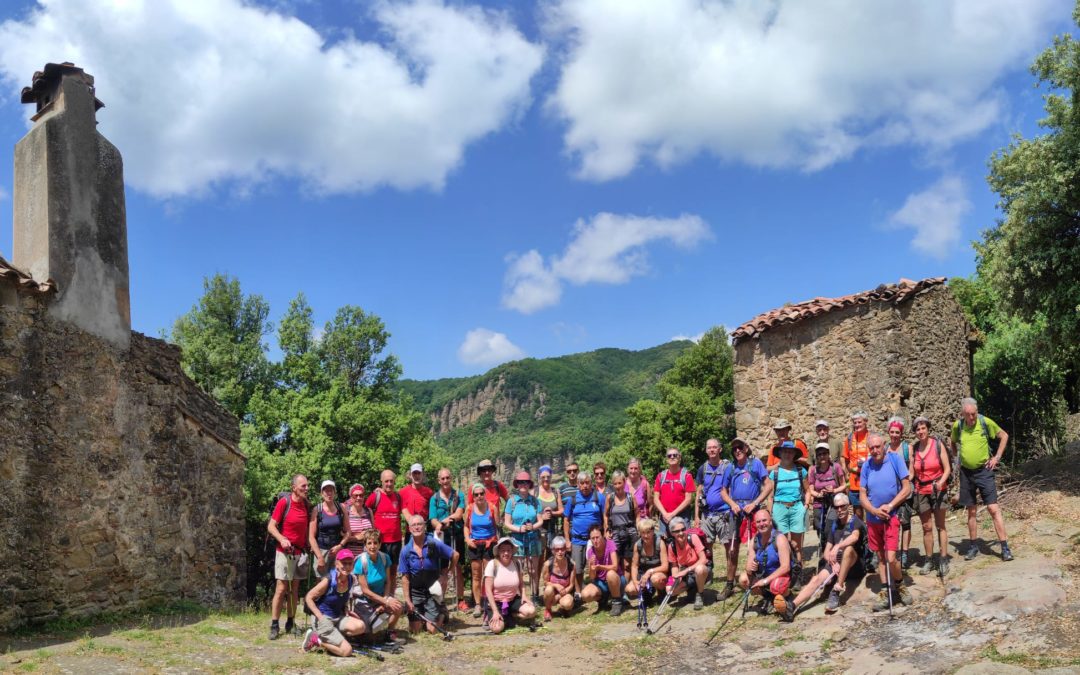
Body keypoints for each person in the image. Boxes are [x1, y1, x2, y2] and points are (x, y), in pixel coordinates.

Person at [782, 493, 866, 620]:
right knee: (816, 579)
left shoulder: (856, 522)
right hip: (836, 565)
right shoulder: (834, 525)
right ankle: (792, 606)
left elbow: (854, 537)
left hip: (853, 564)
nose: (839, 510)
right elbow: (827, 551)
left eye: (842, 506)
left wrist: (838, 546)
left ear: (848, 506)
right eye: (836, 507)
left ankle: (837, 589)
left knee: (848, 550)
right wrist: (833, 563)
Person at [950, 398, 1013, 562]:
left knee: (993, 508)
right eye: (969, 415)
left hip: (984, 471)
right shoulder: (958, 426)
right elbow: (952, 442)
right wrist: (957, 458)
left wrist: (996, 457)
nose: (972, 417)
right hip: (966, 473)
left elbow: (1004, 436)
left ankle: (1005, 548)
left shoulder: (985, 422)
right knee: (971, 510)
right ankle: (973, 546)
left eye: (974, 414)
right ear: (962, 414)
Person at [859, 433, 913, 611]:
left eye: (877, 447)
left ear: (884, 446)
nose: (875, 451)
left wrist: (890, 506)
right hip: (874, 518)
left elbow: (906, 488)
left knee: (891, 557)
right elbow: (862, 495)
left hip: (892, 516)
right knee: (881, 556)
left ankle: (899, 585)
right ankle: (885, 591)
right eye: (871, 448)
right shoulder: (866, 466)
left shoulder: (895, 460)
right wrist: (873, 510)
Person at [719, 438, 770, 601]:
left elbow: (768, 485)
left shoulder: (755, 464)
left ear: (746, 448)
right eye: (734, 449)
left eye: (739, 447)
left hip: (752, 512)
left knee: (755, 547)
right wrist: (732, 504)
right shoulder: (730, 467)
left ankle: (758, 580)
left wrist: (756, 503)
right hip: (736, 512)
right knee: (733, 550)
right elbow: (723, 491)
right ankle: (729, 584)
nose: (737, 451)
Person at [267, 474, 311, 640]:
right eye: (303, 486)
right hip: (284, 552)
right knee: (281, 588)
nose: (306, 489)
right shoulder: (284, 503)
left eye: (307, 486)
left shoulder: (307, 505)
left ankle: (290, 622)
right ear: (294, 488)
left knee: (295, 590)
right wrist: (282, 539)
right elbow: (271, 526)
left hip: (300, 552)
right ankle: (274, 624)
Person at [400, 515, 459, 634]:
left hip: (432, 591)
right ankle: (424, 615)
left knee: (432, 630)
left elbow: (455, 555)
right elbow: (405, 578)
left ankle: (442, 613)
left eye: (419, 524)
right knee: (415, 630)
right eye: (414, 525)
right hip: (415, 591)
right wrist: (408, 600)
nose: (417, 527)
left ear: (424, 526)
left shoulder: (433, 543)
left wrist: (446, 574)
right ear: (410, 529)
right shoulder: (405, 550)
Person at [301, 549, 366, 655]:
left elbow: (342, 597)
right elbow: (309, 597)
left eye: (350, 563)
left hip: (337, 617)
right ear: (337, 564)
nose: (347, 566)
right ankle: (315, 639)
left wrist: (345, 609)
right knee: (347, 651)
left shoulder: (351, 579)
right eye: (344, 563)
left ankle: (333, 636)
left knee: (361, 626)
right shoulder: (329, 580)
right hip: (323, 618)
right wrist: (320, 617)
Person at [910, 416, 952, 576]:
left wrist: (941, 482)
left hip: (938, 489)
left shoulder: (937, 445)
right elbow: (912, 472)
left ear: (928, 429)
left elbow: (947, 468)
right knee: (926, 527)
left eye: (923, 428)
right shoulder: (914, 449)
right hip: (921, 491)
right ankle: (929, 560)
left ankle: (943, 559)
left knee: (940, 526)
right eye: (917, 429)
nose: (921, 431)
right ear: (915, 432)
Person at [766, 441, 810, 588]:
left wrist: (805, 506)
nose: (787, 454)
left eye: (790, 452)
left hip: (797, 507)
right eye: (784, 451)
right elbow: (770, 496)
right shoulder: (775, 473)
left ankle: (798, 574)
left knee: (797, 544)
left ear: (794, 454)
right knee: (783, 544)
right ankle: (785, 573)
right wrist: (770, 513)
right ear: (780, 453)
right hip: (779, 508)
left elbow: (807, 490)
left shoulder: (800, 471)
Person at [352, 528, 404, 643]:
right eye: (369, 543)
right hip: (364, 601)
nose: (372, 546)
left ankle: (389, 632)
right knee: (371, 638)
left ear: (380, 544)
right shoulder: (361, 561)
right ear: (365, 545)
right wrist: (384, 602)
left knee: (398, 606)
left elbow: (388, 582)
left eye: (375, 542)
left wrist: (385, 600)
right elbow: (365, 591)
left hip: (381, 597)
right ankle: (370, 628)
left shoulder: (385, 558)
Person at [738, 508, 793, 616]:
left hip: (781, 575)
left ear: (770, 521)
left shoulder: (780, 538)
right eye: (758, 522)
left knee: (776, 586)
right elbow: (748, 567)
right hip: (763, 575)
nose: (761, 524)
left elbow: (785, 567)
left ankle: (787, 596)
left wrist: (765, 581)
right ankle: (769, 597)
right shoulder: (754, 540)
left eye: (764, 520)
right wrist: (750, 567)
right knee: (743, 579)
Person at [695, 438, 731, 595]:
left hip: (725, 514)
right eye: (709, 447)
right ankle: (709, 573)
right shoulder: (703, 468)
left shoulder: (728, 467)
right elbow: (699, 492)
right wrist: (696, 516)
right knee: (707, 546)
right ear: (706, 450)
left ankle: (730, 577)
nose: (712, 450)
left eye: (714, 447)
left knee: (728, 548)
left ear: (720, 449)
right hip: (707, 515)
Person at [429, 467, 467, 612]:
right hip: (442, 537)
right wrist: (438, 525)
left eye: (447, 478)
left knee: (458, 568)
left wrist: (443, 522)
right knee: (442, 568)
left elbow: (459, 513)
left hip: (456, 534)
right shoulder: (434, 498)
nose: (445, 481)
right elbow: (432, 519)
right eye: (442, 478)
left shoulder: (459, 495)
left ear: (451, 478)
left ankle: (461, 599)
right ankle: (441, 601)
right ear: (439, 481)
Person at [483, 537, 538, 632]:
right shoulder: (492, 564)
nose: (506, 553)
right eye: (503, 550)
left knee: (531, 611)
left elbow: (521, 584)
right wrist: (495, 611)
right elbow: (488, 590)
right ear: (498, 551)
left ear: (512, 551)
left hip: (512, 600)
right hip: (496, 601)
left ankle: (510, 615)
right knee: (497, 629)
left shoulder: (517, 563)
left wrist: (524, 595)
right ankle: (493, 615)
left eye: (508, 550)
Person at [505, 471, 544, 603]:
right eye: (521, 482)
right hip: (517, 540)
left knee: (533, 570)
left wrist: (532, 527)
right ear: (517, 484)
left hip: (533, 538)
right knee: (519, 570)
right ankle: (520, 597)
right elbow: (507, 523)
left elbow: (540, 520)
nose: (523, 485)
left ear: (529, 484)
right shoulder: (512, 502)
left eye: (526, 482)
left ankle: (535, 595)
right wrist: (519, 529)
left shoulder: (535, 501)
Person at [563, 472, 606, 586]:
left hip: (595, 539)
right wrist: (567, 540)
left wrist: (605, 534)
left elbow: (605, 517)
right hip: (577, 539)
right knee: (577, 569)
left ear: (591, 483)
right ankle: (578, 593)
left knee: (597, 565)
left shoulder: (599, 497)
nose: (585, 486)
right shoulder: (572, 500)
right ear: (578, 484)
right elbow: (566, 520)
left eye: (587, 483)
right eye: (582, 483)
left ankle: (599, 590)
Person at [464, 482, 500, 618]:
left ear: (485, 494)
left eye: (481, 493)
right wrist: (467, 539)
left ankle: (489, 602)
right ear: (473, 496)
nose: (479, 496)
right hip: (474, 544)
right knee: (476, 575)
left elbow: (498, 526)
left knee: (488, 575)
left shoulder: (491, 508)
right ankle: (478, 604)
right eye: (476, 494)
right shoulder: (469, 509)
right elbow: (466, 526)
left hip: (489, 544)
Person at [885, 417, 915, 568]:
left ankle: (904, 553)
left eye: (897, 432)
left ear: (901, 433)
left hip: (904, 491)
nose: (895, 435)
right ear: (888, 432)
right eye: (892, 432)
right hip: (890, 492)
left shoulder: (906, 448)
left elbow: (912, 470)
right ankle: (892, 551)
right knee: (890, 523)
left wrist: (906, 484)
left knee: (906, 523)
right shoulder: (885, 449)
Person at [808, 443, 847, 558]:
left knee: (829, 527)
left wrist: (834, 491)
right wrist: (819, 494)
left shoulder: (836, 467)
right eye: (819, 454)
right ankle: (824, 547)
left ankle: (831, 548)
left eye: (824, 453)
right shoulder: (814, 470)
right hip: (819, 503)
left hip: (833, 501)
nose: (822, 456)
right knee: (819, 526)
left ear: (828, 454)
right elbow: (811, 489)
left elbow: (844, 485)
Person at [580, 524, 627, 616]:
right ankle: (603, 600)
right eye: (592, 538)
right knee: (585, 594)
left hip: (617, 580)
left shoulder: (610, 544)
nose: (595, 541)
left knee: (610, 574)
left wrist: (600, 567)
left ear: (602, 536)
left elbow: (615, 566)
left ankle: (617, 601)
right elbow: (592, 577)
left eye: (597, 537)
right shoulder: (590, 551)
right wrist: (591, 566)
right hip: (602, 582)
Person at [366, 471, 404, 580]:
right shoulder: (375, 496)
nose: (389, 483)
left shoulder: (397, 497)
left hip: (395, 540)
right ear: (381, 482)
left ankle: (390, 594)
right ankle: (379, 595)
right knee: (378, 570)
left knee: (393, 570)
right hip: (379, 541)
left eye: (391, 481)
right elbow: (364, 511)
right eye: (386, 481)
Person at [666, 517, 710, 610]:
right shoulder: (671, 546)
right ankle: (693, 589)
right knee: (669, 589)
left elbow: (703, 559)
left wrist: (686, 571)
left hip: (701, 570)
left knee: (700, 569)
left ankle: (700, 594)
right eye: (677, 531)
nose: (681, 533)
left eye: (683, 529)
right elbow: (674, 566)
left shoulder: (693, 538)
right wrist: (673, 579)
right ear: (672, 533)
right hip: (687, 574)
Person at [309, 480, 350, 578]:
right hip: (321, 550)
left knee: (338, 579)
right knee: (321, 582)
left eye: (331, 490)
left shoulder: (341, 508)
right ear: (321, 493)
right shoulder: (317, 510)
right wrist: (319, 557)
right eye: (326, 491)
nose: (329, 493)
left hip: (337, 550)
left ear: (335, 492)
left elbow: (348, 531)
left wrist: (340, 546)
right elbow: (311, 536)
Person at [624, 518, 669, 606]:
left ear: (653, 531)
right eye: (643, 533)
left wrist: (650, 571)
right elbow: (634, 566)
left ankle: (662, 592)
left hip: (658, 572)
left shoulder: (660, 543)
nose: (645, 536)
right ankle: (647, 594)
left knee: (655, 579)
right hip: (643, 574)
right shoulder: (638, 545)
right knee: (630, 589)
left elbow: (665, 566)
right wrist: (635, 581)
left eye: (648, 532)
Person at [653, 447, 696, 537]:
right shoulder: (661, 476)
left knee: (683, 544)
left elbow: (688, 499)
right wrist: (665, 514)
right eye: (669, 455)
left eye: (675, 455)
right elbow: (656, 498)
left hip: (682, 517)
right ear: (666, 459)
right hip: (664, 518)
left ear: (679, 457)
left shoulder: (686, 476)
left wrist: (672, 514)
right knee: (664, 544)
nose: (672, 457)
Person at [604, 470, 638, 575]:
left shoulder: (630, 497)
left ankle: (626, 589)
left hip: (630, 532)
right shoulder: (610, 498)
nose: (618, 486)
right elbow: (605, 515)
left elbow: (637, 514)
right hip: (615, 533)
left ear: (624, 482)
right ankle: (617, 587)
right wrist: (606, 530)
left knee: (627, 564)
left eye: (619, 483)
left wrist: (638, 529)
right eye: (615, 483)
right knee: (615, 562)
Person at [540, 536, 579, 620]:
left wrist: (561, 594)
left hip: (565, 591)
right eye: (557, 549)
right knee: (548, 589)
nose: (560, 552)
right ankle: (548, 609)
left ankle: (563, 608)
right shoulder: (547, 564)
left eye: (562, 549)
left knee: (568, 604)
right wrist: (556, 585)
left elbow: (572, 585)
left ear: (565, 549)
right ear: (553, 550)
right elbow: (545, 582)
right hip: (552, 593)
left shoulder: (572, 564)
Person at [842, 412, 872, 519]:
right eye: (855, 423)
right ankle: (860, 535)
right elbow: (846, 460)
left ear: (866, 422)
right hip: (854, 482)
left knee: (871, 511)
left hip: (870, 481)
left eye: (860, 422)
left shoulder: (871, 438)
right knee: (858, 513)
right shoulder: (849, 439)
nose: (857, 425)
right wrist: (849, 472)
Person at [535, 465, 563, 572]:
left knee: (552, 556)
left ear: (551, 477)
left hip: (552, 530)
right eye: (543, 477)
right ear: (539, 477)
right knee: (539, 557)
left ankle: (550, 582)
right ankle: (537, 585)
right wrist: (541, 516)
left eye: (548, 476)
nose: (546, 479)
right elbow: (530, 512)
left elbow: (561, 510)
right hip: (539, 531)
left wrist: (553, 513)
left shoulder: (555, 492)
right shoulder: (535, 492)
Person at [342, 484, 374, 558]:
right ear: (351, 498)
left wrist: (368, 535)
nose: (358, 498)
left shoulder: (369, 511)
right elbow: (341, 535)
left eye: (361, 495)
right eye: (355, 496)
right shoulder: (346, 512)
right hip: (349, 555)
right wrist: (356, 538)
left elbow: (373, 533)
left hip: (367, 554)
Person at [400, 463, 434, 530]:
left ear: (423, 475)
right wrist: (381, 490)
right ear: (410, 475)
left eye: (419, 473)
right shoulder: (403, 492)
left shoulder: (429, 492)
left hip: (424, 530)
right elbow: (391, 497)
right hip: (409, 531)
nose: (417, 476)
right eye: (414, 473)